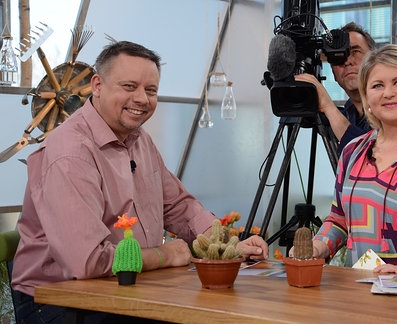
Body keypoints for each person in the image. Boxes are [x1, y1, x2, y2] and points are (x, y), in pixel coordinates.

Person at [11, 41, 269, 323]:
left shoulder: (139, 140)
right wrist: (164, 256)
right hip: (57, 300)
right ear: (97, 85)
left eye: (151, 90)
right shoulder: (70, 153)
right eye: (129, 86)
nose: (142, 99)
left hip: (123, 289)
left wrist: (226, 245)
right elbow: (85, 262)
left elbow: (178, 206)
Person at [306, 44, 397, 277]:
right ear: (367, 96)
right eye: (377, 85)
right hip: (358, 296)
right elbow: (339, 219)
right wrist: (317, 246)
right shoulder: (352, 151)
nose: (388, 93)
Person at [295, 22, 397, 155]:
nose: (347, 61)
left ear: (374, 59)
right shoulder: (349, 112)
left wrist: (328, 107)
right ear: (333, 73)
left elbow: (374, 159)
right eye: (338, 56)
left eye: (355, 51)